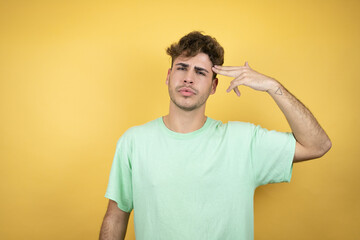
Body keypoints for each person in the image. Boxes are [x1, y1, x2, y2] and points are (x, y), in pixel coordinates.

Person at [99, 31, 331, 240]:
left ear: (214, 85)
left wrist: (272, 85)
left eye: (200, 72)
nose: (188, 78)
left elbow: (317, 145)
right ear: (169, 76)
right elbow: (116, 217)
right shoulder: (134, 142)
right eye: (182, 68)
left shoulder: (243, 142)